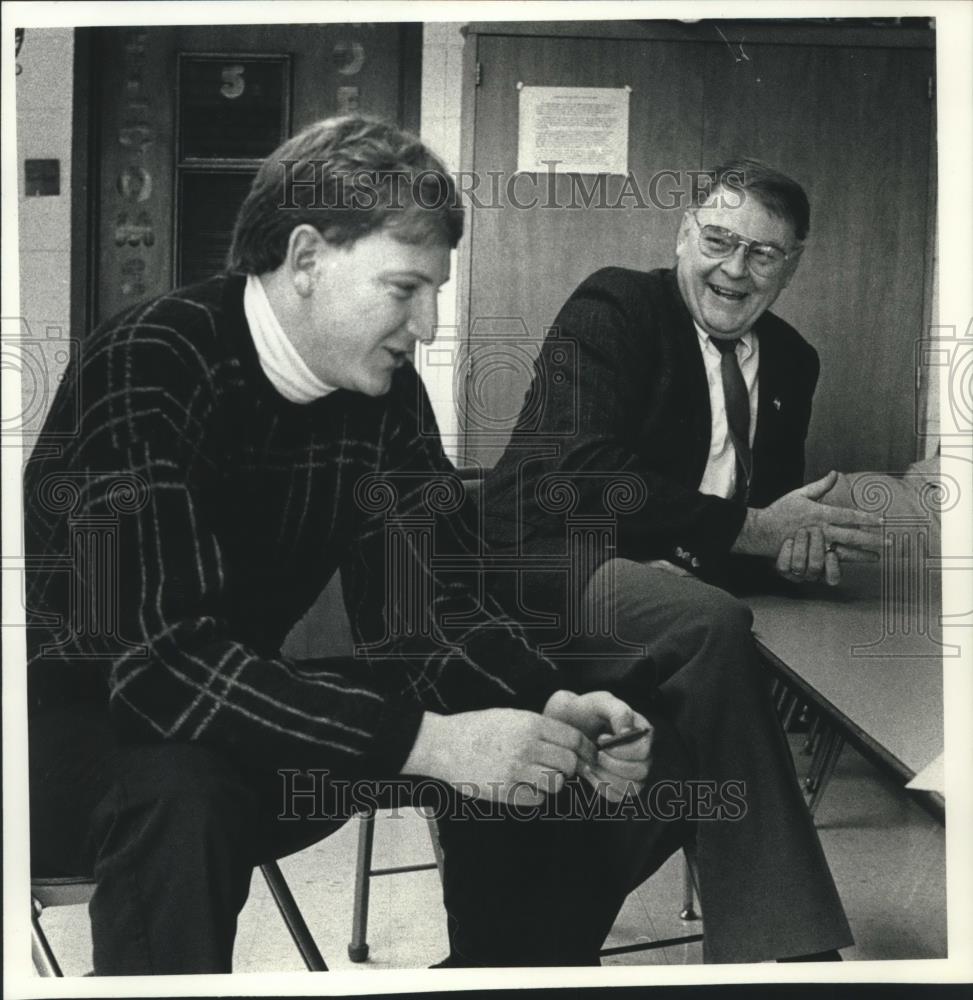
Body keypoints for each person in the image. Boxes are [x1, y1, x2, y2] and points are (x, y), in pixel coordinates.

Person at [23, 116, 653, 974]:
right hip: (63, 734)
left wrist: (544, 705)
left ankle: (500, 974)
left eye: (434, 293)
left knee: (516, 748)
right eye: (405, 289)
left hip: (233, 710)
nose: (427, 327)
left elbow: (422, 615)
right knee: (184, 786)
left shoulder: (382, 397)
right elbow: (158, 667)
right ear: (308, 257)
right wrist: (427, 742)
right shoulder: (146, 362)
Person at [484, 159, 881, 962]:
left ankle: (538, 938)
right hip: (543, 572)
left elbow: (749, 521)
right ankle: (789, 953)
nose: (734, 269)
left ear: (790, 264)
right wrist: (753, 533)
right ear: (681, 236)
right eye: (718, 240)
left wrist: (791, 553)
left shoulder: (792, 361)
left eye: (762, 254)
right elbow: (580, 473)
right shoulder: (615, 307)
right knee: (708, 624)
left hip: (669, 604)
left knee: (676, 739)